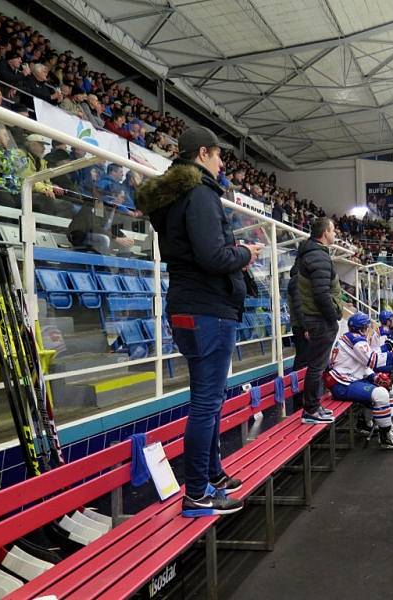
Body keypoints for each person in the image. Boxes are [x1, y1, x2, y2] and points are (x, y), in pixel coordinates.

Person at [136, 126, 260, 517]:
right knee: (206, 403)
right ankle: (197, 493)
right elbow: (214, 257)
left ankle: (212, 475)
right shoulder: (201, 194)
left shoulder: (173, 198)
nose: (222, 162)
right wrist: (245, 252)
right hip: (208, 308)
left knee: (208, 398)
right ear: (203, 153)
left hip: (187, 305)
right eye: (219, 155)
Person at [324, 312, 393, 450]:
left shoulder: (350, 337)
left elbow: (363, 365)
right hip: (342, 384)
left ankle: (381, 424)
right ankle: (385, 436)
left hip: (348, 380)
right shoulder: (357, 339)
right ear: (363, 327)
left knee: (388, 389)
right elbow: (373, 360)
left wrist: (374, 377)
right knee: (380, 394)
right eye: (367, 326)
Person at [293, 217, 343, 424]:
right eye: (333, 231)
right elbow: (322, 294)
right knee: (317, 366)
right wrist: (333, 318)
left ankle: (314, 407)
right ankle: (311, 410)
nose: (335, 234)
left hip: (315, 319)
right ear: (324, 233)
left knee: (317, 365)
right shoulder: (318, 257)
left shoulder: (312, 254)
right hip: (321, 320)